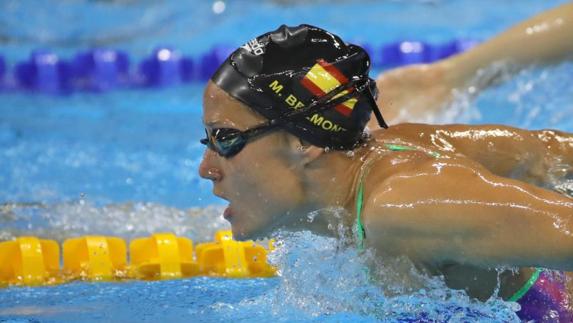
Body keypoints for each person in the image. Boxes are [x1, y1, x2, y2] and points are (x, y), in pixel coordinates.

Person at [198, 3, 573, 321]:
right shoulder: (391, 152)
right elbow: (549, 153)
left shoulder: (404, 206)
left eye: (226, 139)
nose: (206, 168)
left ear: (303, 141)